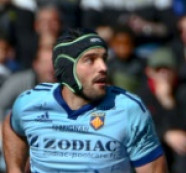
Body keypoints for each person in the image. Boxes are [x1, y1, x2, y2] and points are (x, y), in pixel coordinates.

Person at [2, 29, 167, 172]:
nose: (103, 67)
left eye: (104, 58)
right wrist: (15, 168)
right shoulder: (31, 103)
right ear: (67, 67)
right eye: (90, 60)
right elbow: (12, 126)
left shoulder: (129, 109)